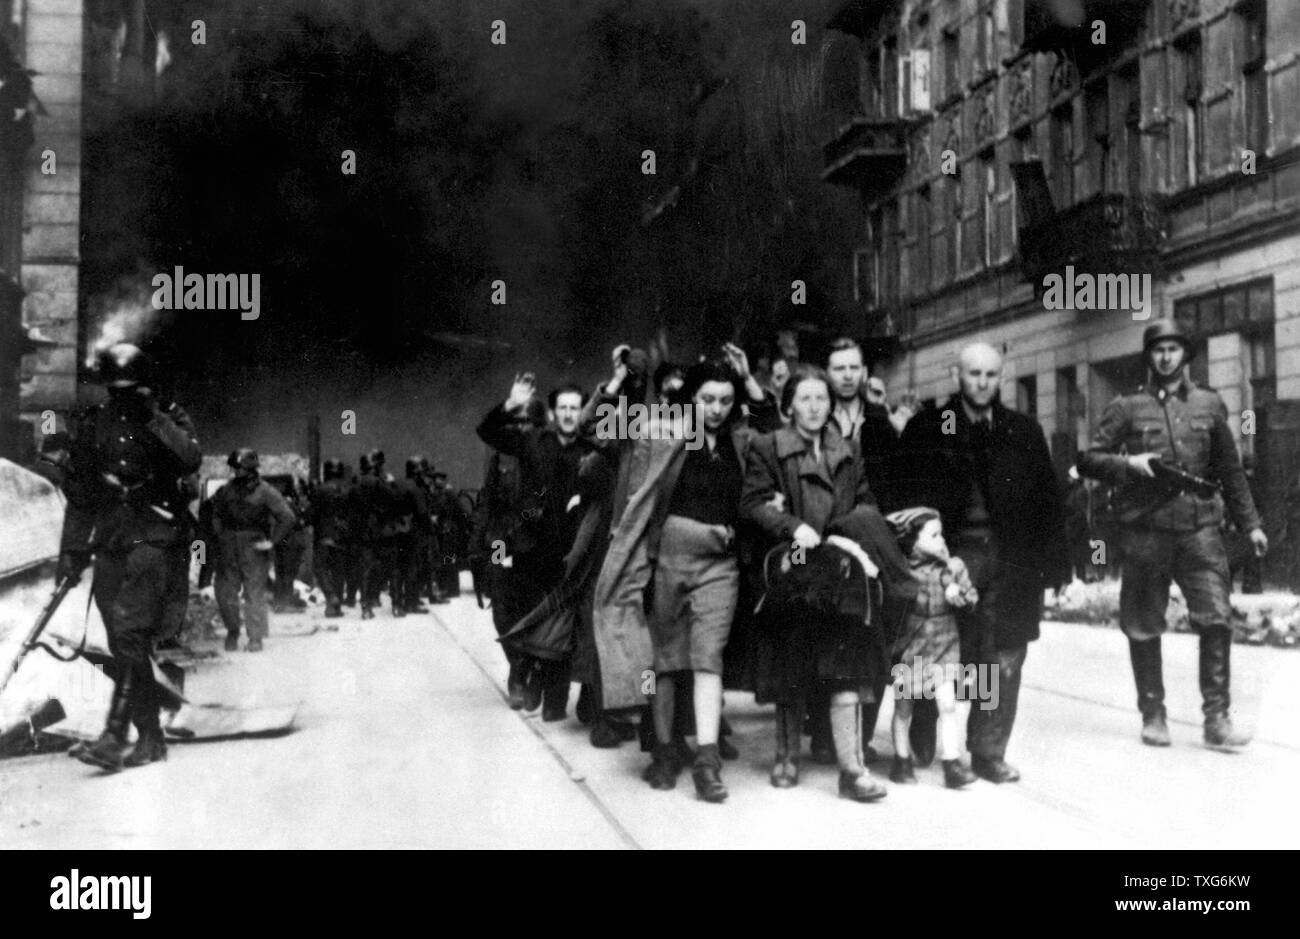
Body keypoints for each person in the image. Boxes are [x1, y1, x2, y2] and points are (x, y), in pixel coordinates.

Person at [597, 346, 776, 802]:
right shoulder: (665, 433)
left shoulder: (741, 440)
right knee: (665, 663)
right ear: (691, 398)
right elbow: (602, 432)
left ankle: (707, 761)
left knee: (706, 659)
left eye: (724, 400)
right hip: (668, 562)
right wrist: (619, 382)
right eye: (707, 399)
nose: (716, 409)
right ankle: (661, 751)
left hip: (721, 565)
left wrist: (748, 379)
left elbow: (777, 432)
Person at [1077, 319, 1266, 750]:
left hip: (1200, 530)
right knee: (1143, 625)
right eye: (1157, 349)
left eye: (1173, 349)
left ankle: (1216, 719)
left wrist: (1251, 523)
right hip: (1147, 531)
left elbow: (1231, 471)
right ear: (1149, 357)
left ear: (1185, 355)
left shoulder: (1209, 404)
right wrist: (1129, 465)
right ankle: (1153, 713)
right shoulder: (1127, 407)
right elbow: (1089, 460)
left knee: (1217, 619)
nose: (1165, 356)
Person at [893, 342, 1069, 782]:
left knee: (999, 656)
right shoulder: (929, 427)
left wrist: (1057, 564)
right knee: (937, 648)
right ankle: (925, 724)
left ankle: (987, 751)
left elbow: (1048, 500)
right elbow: (903, 497)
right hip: (946, 557)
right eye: (974, 374)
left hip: (1010, 559)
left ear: (1001, 377)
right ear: (957, 376)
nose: (982, 383)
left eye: (991, 375)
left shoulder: (1022, 431)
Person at [741, 364, 916, 802]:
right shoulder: (767, 446)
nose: (815, 407)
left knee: (847, 661)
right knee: (792, 657)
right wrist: (789, 525)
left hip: (839, 560)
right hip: (795, 558)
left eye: (822, 399)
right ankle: (785, 756)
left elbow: (864, 501)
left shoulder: (847, 448)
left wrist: (853, 530)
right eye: (805, 399)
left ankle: (852, 769)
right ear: (788, 405)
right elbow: (752, 503)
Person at [57, 343, 201, 771]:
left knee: (129, 630)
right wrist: (72, 549)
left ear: (144, 385)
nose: (122, 396)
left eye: (130, 388)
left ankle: (120, 734)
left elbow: (189, 458)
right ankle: (145, 736)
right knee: (121, 641)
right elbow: (80, 493)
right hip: (113, 538)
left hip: (156, 536)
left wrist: (154, 416)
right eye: (115, 389)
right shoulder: (93, 423)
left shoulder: (167, 418)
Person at [477, 376, 595, 721]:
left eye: (576, 408)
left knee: (559, 624)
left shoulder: (589, 448)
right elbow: (487, 434)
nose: (570, 414)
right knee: (513, 610)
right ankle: (522, 672)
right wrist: (510, 402)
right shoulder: (527, 445)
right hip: (517, 542)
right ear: (555, 413)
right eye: (564, 408)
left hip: (567, 547)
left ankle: (551, 696)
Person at [884, 507, 978, 789]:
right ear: (914, 541)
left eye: (942, 534)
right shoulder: (902, 570)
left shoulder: (954, 567)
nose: (941, 541)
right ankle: (901, 761)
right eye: (934, 535)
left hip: (944, 641)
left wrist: (962, 596)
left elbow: (972, 596)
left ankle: (952, 764)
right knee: (904, 708)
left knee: (948, 704)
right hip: (911, 646)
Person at [210, 449, 296, 652]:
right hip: (229, 546)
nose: (235, 472)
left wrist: (272, 542)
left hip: (254, 546)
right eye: (234, 468)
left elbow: (287, 517)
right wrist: (219, 535)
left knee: (254, 593)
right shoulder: (226, 490)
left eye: (238, 468)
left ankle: (255, 638)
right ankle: (233, 630)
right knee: (225, 592)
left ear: (250, 469)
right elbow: (214, 513)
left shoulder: (266, 491)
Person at [308, 458, 352, 617]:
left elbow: (311, 514)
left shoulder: (319, 490)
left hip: (324, 535)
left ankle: (330, 596)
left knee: (319, 568)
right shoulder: (347, 490)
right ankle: (336, 606)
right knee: (338, 570)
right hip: (342, 535)